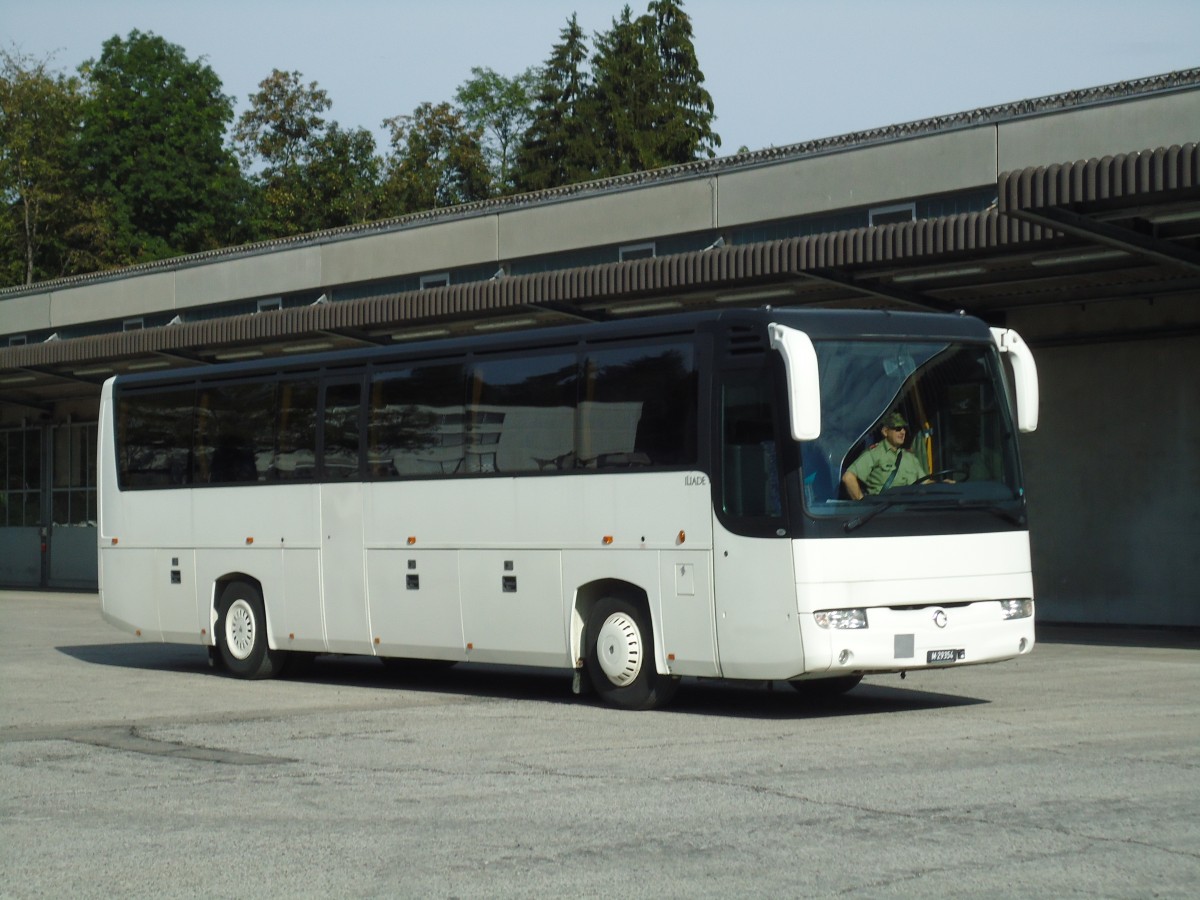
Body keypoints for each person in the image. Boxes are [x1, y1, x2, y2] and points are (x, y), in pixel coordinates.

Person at [842, 412, 928, 500]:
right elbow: (848, 477)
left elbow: (926, 483)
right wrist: (862, 503)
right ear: (885, 431)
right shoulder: (874, 454)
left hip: (911, 509)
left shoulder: (910, 458)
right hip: (884, 511)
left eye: (904, 428)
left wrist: (941, 485)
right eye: (898, 428)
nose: (903, 432)